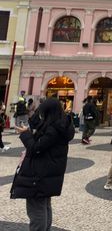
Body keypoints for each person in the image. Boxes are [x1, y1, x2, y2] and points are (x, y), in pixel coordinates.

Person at [10, 98, 75, 230]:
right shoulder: (60, 125)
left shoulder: (53, 129)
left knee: (36, 209)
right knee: (44, 205)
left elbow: (36, 148)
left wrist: (25, 134)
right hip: (48, 173)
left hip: (40, 174)